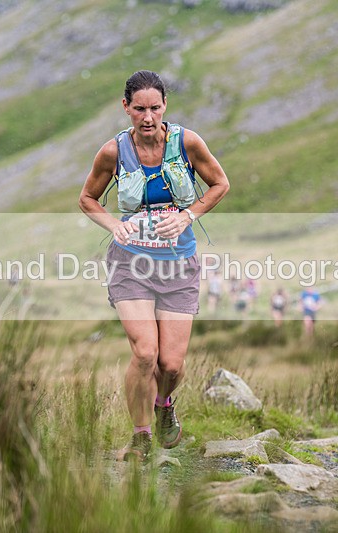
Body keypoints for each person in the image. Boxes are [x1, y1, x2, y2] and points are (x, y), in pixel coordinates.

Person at [78, 70, 230, 461]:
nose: (148, 117)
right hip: (130, 265)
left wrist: (188, 216)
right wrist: (114, 224)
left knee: (171, 364)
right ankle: (141, 436)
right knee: (145, 353)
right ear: (125, 107)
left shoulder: (187, 142)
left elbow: (220, 184)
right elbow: (88, 199)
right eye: (139, 109)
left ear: (165, 106)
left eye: (155, 108)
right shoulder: (112, 152)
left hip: (179, 264)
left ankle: (164, 404)